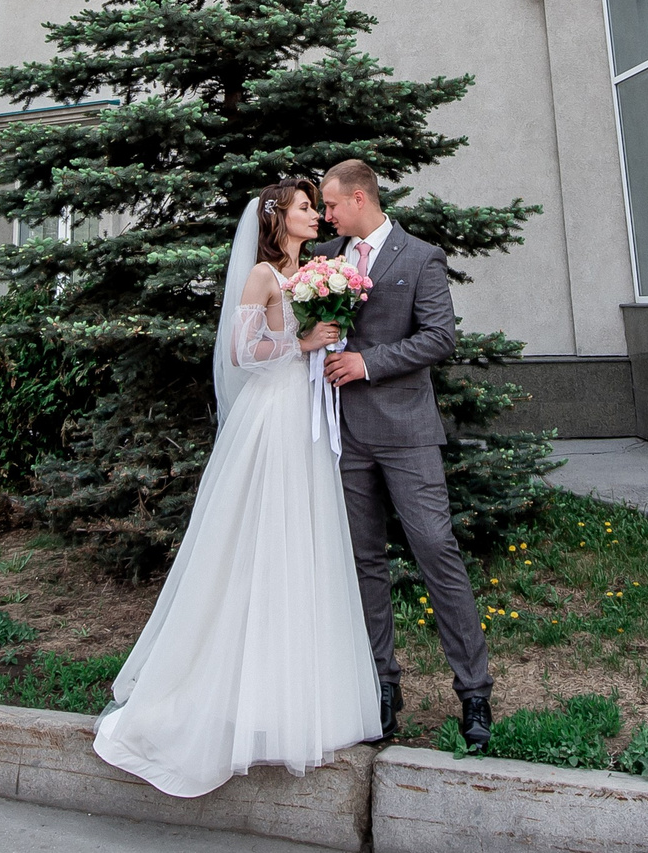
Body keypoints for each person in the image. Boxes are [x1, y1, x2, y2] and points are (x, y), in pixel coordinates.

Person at [92, 180, 382, 797]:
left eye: (315, 206)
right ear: (278, 221)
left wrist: (329, 337)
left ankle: (294, 702)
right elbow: (242, 351)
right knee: (259, 545)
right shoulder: (260, 276)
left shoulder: (315, 274)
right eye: (306, 207)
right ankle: (222, 697)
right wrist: (303, 342)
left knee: (302, 549)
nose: (315, 215)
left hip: (306, 420)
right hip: (271, 418)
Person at [317, 158, 493, 751]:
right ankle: (381, 687)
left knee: (436, 550)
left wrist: (369, 363)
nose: (326, 214)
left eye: (333, 205)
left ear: (361, 198)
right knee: (365, 561)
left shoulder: (420, 257)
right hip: (346, 434)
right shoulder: (328, 261)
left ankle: (474, 692)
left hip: (408, 432)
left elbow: (440, 337)